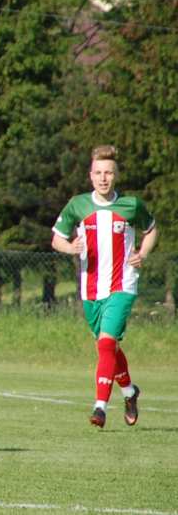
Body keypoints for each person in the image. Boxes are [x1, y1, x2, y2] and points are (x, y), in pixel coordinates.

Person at [51, 145, 157, 428]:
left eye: (108, 172)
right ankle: (130, 391)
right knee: (108, 347)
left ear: (116, 175)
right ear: (90, 176)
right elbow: (56, 239)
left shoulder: (131, 205)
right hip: (91, 289)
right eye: (98, 172)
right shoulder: (78, 205)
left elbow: (151, 230)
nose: (103, 178)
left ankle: (100, 407)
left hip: (123, 284)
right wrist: (71, 247)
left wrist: (142, 254)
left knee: (107, 343)